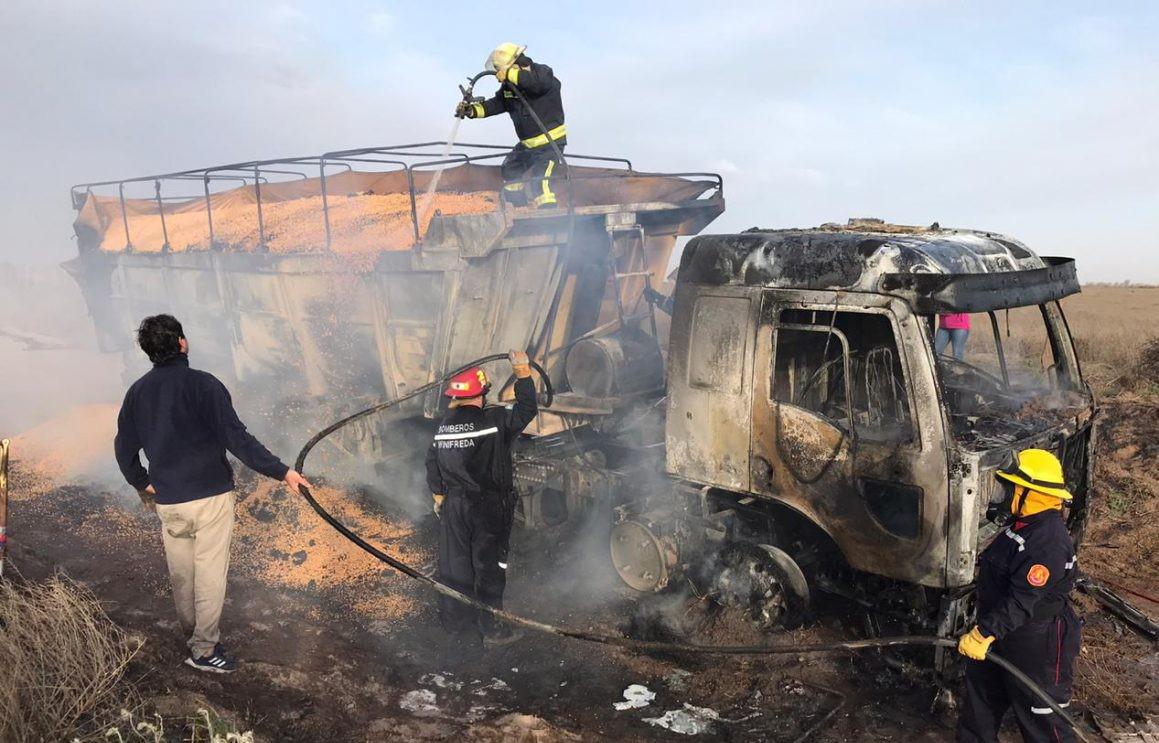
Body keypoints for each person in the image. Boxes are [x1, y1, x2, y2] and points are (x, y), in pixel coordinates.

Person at [114, 314, 311, 673]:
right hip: (209, 498)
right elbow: (237, 439)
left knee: (182, 574)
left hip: (169, 501)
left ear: (148, 351)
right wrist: (282, 472)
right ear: (182, 343)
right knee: (208, 575)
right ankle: (204, 651)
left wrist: (142, 482)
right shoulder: (204, 385)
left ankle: (193, 636)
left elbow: (124, 448)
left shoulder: (137, 393)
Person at [956, 448, 1081, 743]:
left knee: (1042, 717)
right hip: (999, 629)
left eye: (1009, 489)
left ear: (1030, 494)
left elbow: (1022, 601)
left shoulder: (1048, 541)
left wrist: (983, 634)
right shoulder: (1023, 524)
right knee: (980, 705)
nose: (1002, 496)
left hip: (1036, 641)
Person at [425, 350, 538, 648]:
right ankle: (492, 629)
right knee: (489, 567)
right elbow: (528, 409)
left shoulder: (444, 426)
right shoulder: (495, 419)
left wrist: (439, 495)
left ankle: (455, 625)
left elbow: (432, 463)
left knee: (455, 566)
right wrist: (523, 372)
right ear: (482, 394)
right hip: (488, 507)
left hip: (454, 506)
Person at [455, 43, 566, 209]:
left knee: (540, 182)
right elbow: (497, 104)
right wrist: (472, 111)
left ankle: (550, 220)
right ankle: (519, 208)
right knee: (510, 170)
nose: (498, 75)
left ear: (514, 64)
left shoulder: (543, 74)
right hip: (528, 145)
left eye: (500, 70)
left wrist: (509, 74)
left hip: (550, 145)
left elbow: (535, 84)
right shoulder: (510, 87)